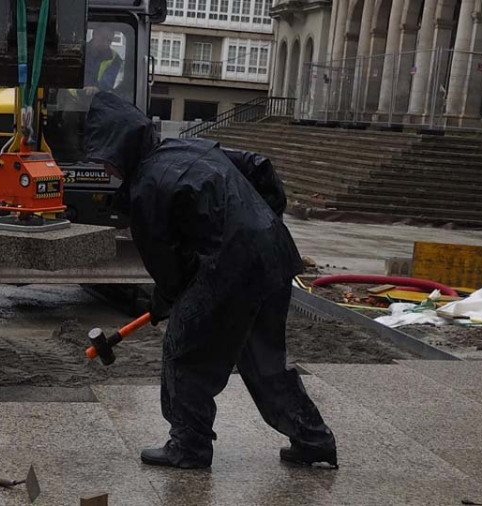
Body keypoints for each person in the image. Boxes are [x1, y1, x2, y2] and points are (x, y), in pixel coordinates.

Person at [84, 92, 337, 470]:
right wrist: (267, 222)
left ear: (118, 149)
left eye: (106, 160)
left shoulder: (146, 189)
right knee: (263, 358)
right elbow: (260, 166)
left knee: (184, 349)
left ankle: (189, 445)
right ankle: (314, 438)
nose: (107, 170)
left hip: (232, 267)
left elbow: (169, 271)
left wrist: (169, 301)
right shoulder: (190, 146)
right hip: (273, 254)